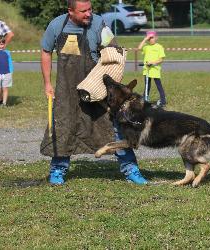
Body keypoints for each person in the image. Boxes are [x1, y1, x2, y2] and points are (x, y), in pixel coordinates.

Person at [40, 0, 148, 185]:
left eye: (90, 9)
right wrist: (48, 83)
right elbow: (46, 51)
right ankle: (58, 170)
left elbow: (113, 50)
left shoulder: (99, 24)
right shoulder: (57, 25)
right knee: (63, 127)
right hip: (67, 89)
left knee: (114, 128)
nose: (89, 14)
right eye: (83, 11)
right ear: (70, 11)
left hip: (97, 87)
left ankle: (131, 169)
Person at [137, 30, 166, 107]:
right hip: (147, 70)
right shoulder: (146, 47)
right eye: (149, 38)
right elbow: (139, 48)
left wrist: (153, 62)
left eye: (152, 38)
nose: (151, 40)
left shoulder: (159, 47)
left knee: (158, 85)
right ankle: (145, 99)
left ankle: (163, 101)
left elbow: (161, 59)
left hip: (155, 70)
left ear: (156, 38)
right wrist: (145, 39)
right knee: (147, 85)